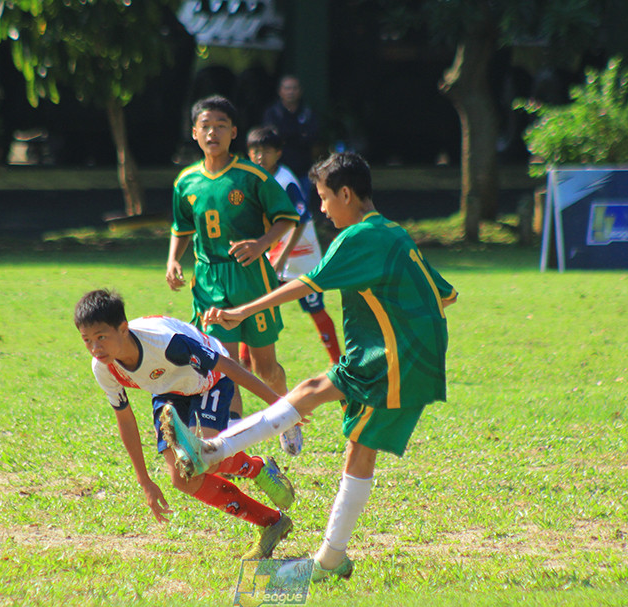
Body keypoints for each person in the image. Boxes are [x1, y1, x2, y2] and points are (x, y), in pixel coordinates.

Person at [161, 152, 458, 581]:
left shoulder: (359, 236)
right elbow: (444, 294)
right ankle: (213, 451)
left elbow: (306, 283)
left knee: (359, 446)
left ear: (346, 194)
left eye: (323, 198)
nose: (321, 208)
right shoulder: (392, 231)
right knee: (312, 392)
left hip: (397, 357)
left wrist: (242, 310)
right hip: (384, 352)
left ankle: (328, 560)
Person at [74, 288, 295, 559]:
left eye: (101, 337)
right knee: (183, 478)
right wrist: (145, 481)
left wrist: (282, 406)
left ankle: (258, 468)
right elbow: (126, 419)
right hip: (167, 390)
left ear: (123, 328)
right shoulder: (103, 367)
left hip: (209, 380)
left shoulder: (167, 343)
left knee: (204, 460)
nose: (95, 348)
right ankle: (271, 522)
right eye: (86, 340)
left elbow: (227, 366)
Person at [166, 95, 302, 457]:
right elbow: (181, 227)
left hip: (251, 279)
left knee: (264, 366)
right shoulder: (186, 181)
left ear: (234, 132)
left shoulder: (251, 176)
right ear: (194, 133)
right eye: (205, 126)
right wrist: (173, 260)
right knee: (224, 365)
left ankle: (286, 415)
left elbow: (287, 218)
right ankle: (233, 443)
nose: (213, 133)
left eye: (221, 126)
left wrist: (261, 244)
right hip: (209, 280)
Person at [240, 125, 341, 366]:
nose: (260, 157)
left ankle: (337, 362)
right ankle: (244, 360)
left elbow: (300, 220)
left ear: (278, 153)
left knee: (315, 309)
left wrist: (283, 257)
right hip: (274, 254)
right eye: (255, 151)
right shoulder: (253, 178)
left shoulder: (286, 181)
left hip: (301, 258)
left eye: (266, 151)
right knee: (257, 303)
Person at [262, 75, 319, 192]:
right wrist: (298, 133)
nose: (291, 92)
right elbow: (270, 139)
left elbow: (312, 137)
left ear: (300, 91)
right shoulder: (272, 113)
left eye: (294, 88)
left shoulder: (307, 112)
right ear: (280, 91)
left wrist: (285, 135)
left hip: (303, 171)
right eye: (287, 88)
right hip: (278, 172)